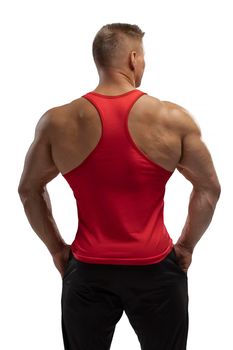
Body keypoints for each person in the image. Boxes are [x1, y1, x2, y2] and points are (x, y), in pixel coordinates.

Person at [18, 23, 221, 350]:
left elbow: (29, 190)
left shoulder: (58, 121)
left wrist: (57, 249)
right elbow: (209, 188)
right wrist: (186, 247)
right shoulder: (173, 118)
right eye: (143, 58)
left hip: (87, 273)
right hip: (156, 271)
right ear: (133, 58)